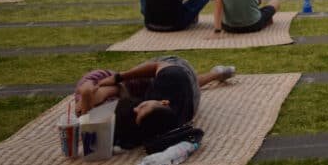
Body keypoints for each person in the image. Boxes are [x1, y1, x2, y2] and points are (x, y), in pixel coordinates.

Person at [89, 58, 233, 150]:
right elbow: (158, 65)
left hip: (190, 98)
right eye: (142, 106)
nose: (138, 106)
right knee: (177, 77)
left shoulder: (147, 130)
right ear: (164, 102)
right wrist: (118, 77)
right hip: (184, 76)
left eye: (137, 110)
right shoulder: (171, 78)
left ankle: (216, 74)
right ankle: (215, 74)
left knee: (187, 82)